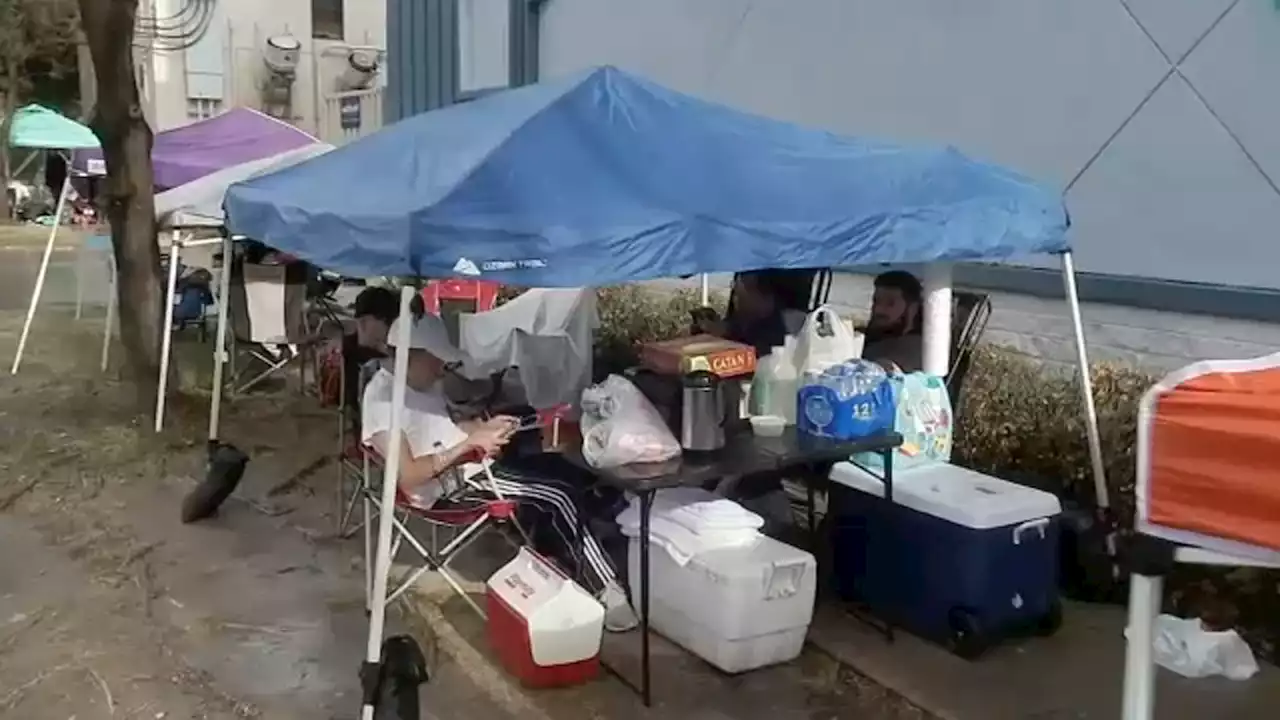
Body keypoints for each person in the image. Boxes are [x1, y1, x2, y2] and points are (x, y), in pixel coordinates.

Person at [362, 311, 639, 632]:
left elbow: (441, 428)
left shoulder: (418, 382)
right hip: (450, 488)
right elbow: (408, 476)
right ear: (411, 354)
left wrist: (481, 429)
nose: (442, 371)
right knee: (559, 495)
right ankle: (607, 588)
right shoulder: (383, 402)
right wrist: (468, 447)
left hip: (470, 466)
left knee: (566, 471)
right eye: (437, 361)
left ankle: (565, 562)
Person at [690, 271, 789, 357]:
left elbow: (755, 355)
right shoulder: (741, 323)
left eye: (746, 286)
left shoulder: (775, 336)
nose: (735, 290)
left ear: (767, 299)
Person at [862, 270, 924, 374]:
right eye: (876, 301)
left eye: (890, 303)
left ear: (913, 308)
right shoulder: (877, 344)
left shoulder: (915, 351)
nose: (878, 309)